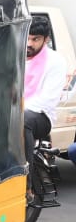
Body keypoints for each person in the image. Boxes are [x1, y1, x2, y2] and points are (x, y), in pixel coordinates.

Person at [23, 15, 67, 203]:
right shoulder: (14, 54)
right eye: (27, 37)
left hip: (40, 116)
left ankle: (25, 181)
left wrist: (14, 109)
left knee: (22, 120)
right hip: (10, 111)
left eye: (36, 39)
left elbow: (46, 100)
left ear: (46, 40)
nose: (29, 43)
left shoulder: (55, 62)